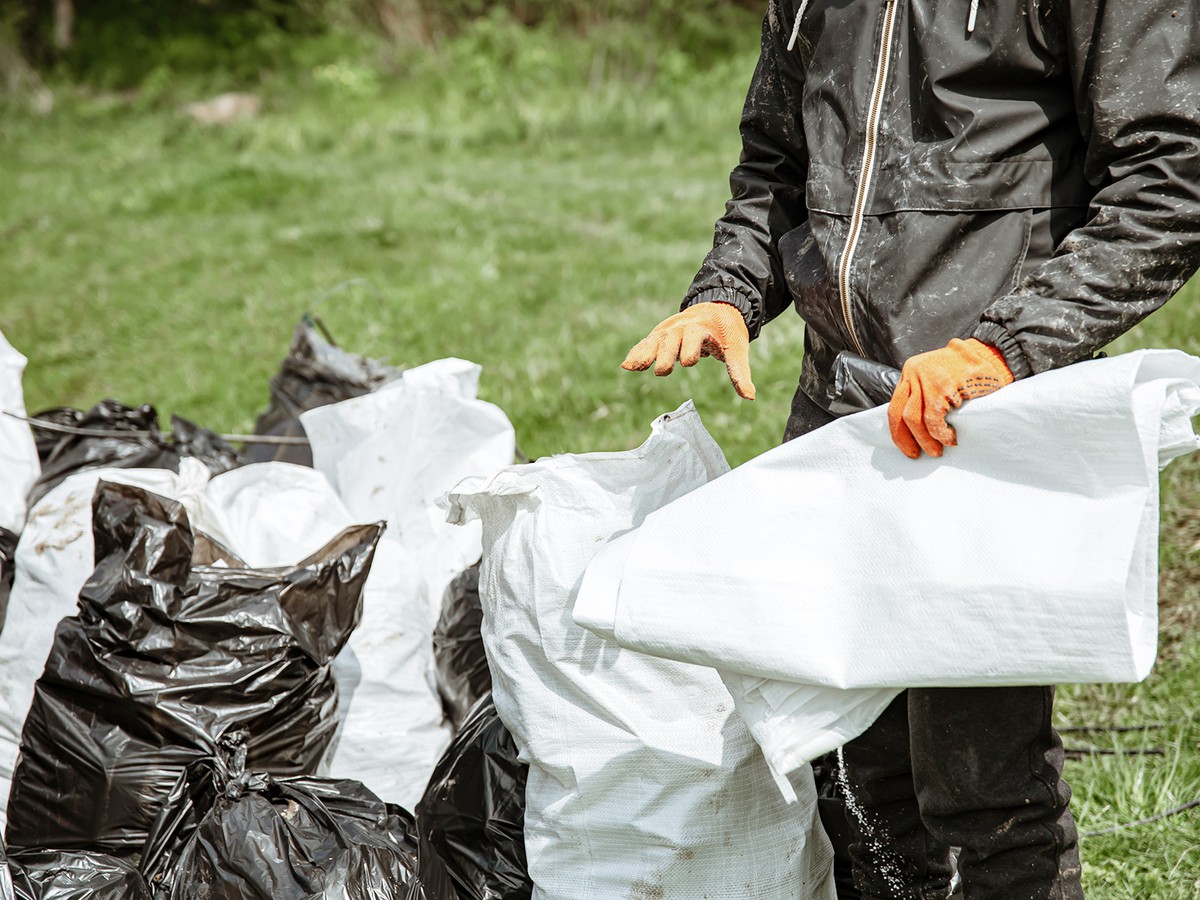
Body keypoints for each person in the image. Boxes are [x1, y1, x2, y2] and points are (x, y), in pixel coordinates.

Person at [621, 1, 1200, 897]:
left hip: (984, 417)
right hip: (839, 414)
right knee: (850, 776)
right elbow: (778, 159)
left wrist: (1006, 347)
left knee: (982, 792)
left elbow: (1172, 180)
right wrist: (729, 291)